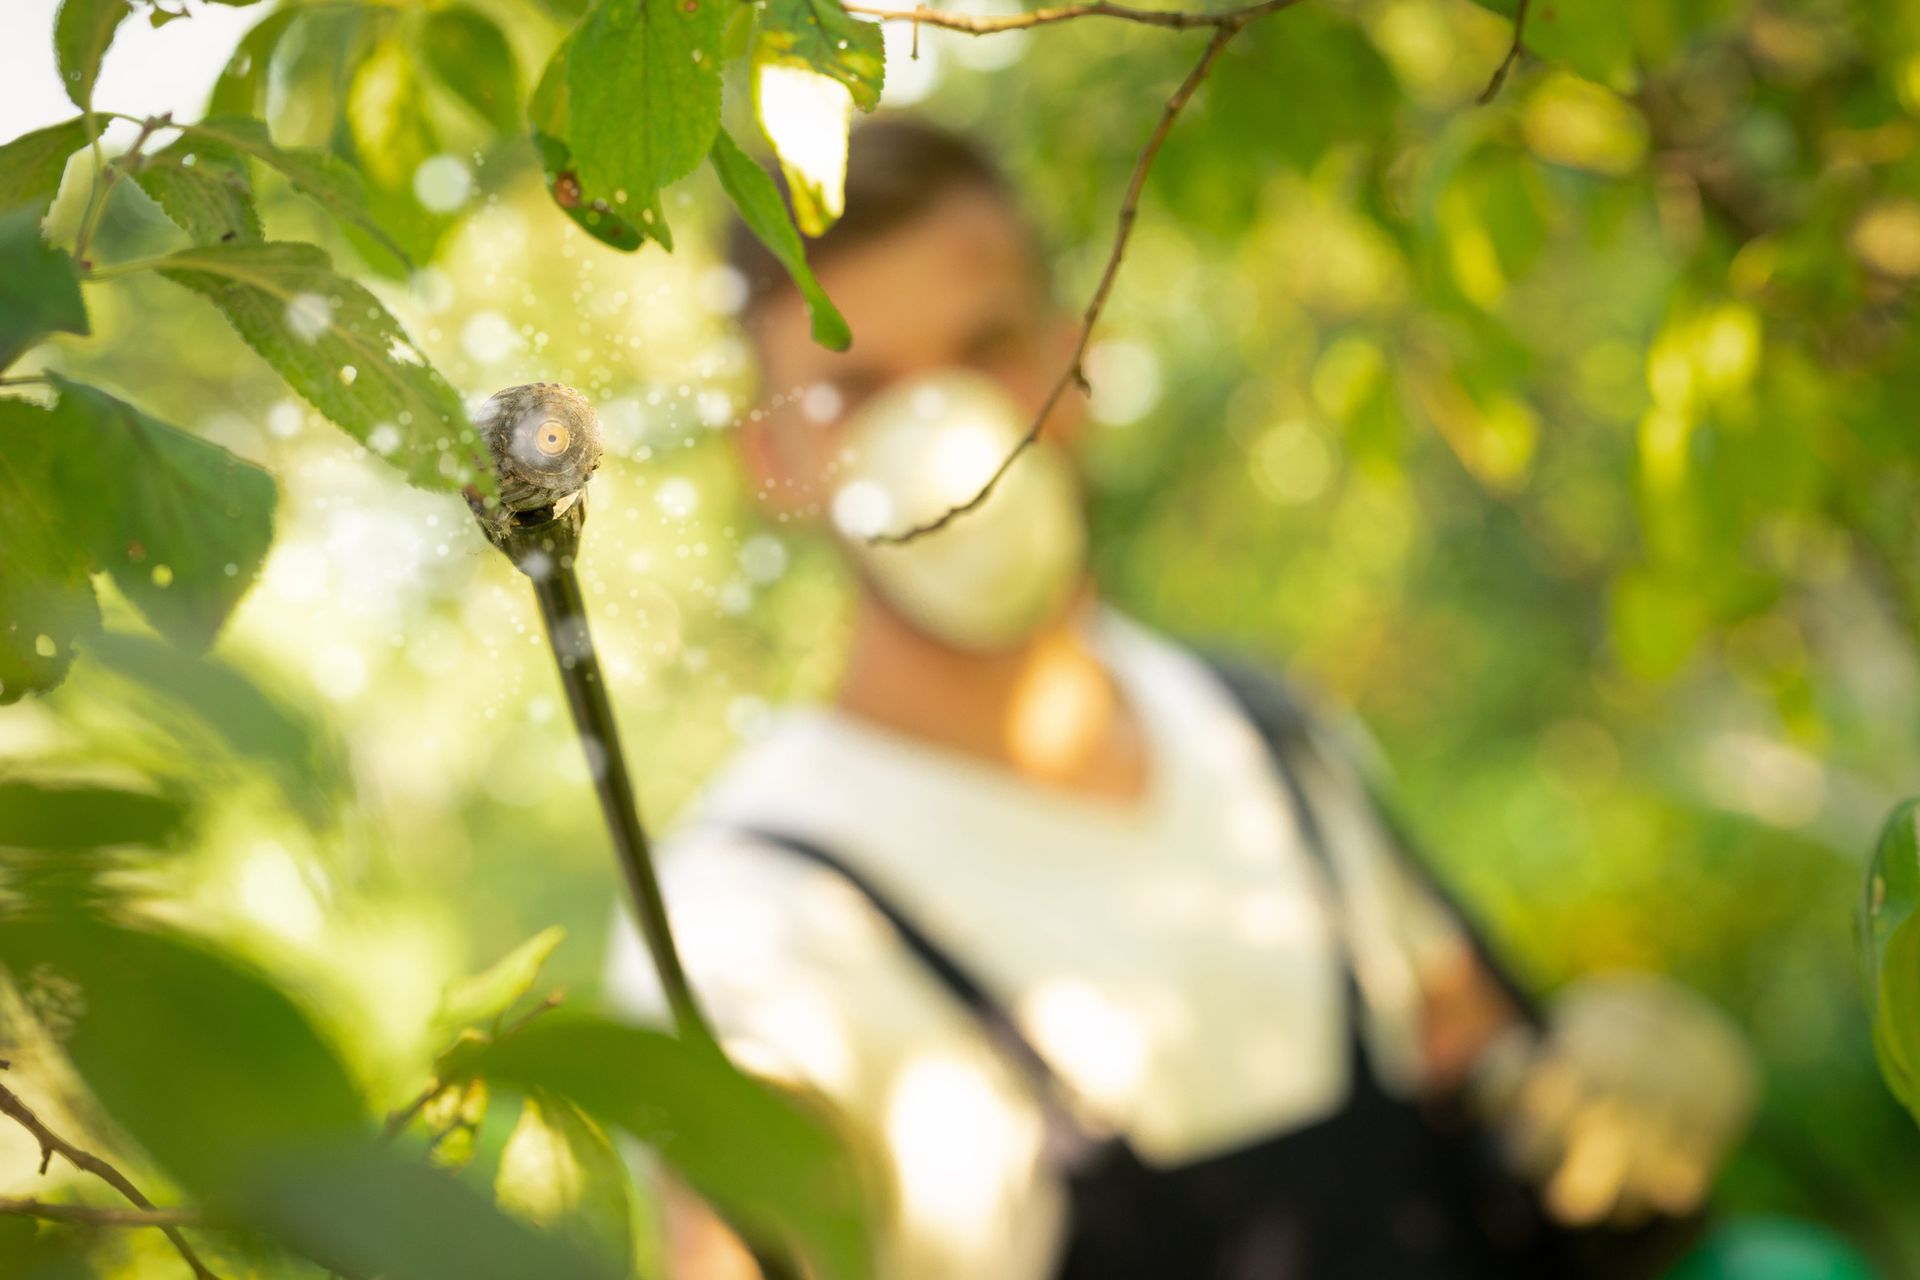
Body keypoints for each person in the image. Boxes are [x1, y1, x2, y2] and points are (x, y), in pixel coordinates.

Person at [605, 117, 1757, 1280]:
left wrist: (1617, 1073)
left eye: (987, 347)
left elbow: (1500, 1083)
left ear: (1077, 359)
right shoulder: (746, 921)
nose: (947, 435)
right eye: (856, 392)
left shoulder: (1265, 736)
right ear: (774, 468)